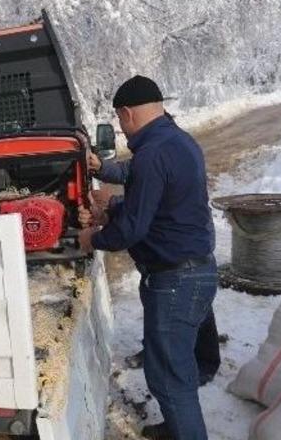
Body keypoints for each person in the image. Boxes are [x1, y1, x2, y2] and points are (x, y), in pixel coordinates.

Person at [78, 75, 217, 440]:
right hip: (195, 270)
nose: (121, 129)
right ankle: (176, 428)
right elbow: (154, 197)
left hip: (175, 282)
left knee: (170, 379)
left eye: (119, 120)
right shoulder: (178, 141)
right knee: (174, 369)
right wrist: (110, 193)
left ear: (126, 113)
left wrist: (92, 238)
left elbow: (132, 229)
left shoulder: (152, 153)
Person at [88, 151, 221, 388]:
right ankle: (155, 350)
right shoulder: (152, 148)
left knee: (194, 305)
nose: (125, 134)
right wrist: (101, 167)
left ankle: (205, 362)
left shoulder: (169, 149)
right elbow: (131, 171)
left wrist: (113, 204)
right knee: (159, 306)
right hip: (163, 250)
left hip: (183, 249)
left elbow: (154, 202)